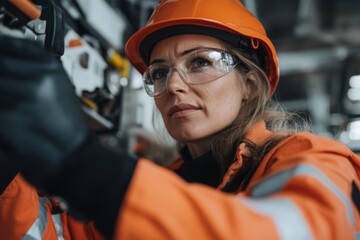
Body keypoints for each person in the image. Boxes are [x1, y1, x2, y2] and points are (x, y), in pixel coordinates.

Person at [1, 0, 360, 239]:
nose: (172, 85)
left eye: (200, 62)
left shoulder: (315, 159)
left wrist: (85, 166)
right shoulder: (166, 183)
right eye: (159, 72)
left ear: (250, 84)